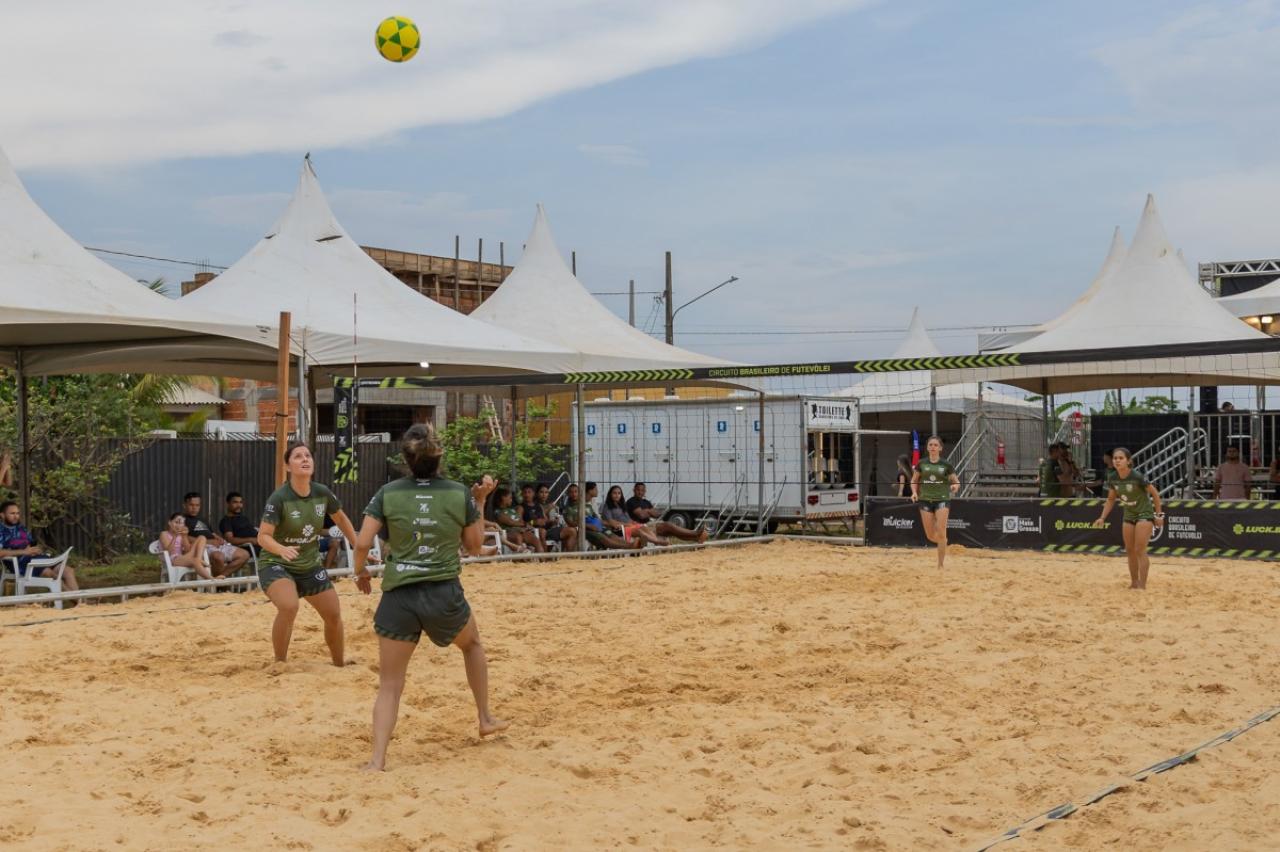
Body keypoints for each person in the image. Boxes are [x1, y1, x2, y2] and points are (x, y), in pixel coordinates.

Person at [353, 423, 508, 771]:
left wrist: (360, 572)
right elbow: (473, 546)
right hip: (443, 592)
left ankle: (377, 761)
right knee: (472, 645)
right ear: (439, 456)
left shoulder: (388, 492)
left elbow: (362, 543)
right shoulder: (458, 493)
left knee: (390, 684)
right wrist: (480, 500)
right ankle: (484, 717)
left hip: (398, 595)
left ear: (406, 459)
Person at [256, 442, 359, 666]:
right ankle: (279, 663)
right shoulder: (279, 498)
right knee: (289, 606)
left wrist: (358, 546)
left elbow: (341, 519)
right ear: (287, 466)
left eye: (308, 456)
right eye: (298, 456)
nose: (305, 459)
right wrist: (281, 549)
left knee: (333, 614)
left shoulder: (321, 492)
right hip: (276, 563)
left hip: (309, 565)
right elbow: (262, 537)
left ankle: (339, 663)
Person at [1093, 447, 1163, 590]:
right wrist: (1102, 517)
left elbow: (1155, 494)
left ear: (1128, 461)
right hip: (1129, 514)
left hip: (1144, 513)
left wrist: (1159, 515)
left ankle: (1142, 585)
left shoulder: (1137, 476)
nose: (1117, 461)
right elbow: (1111, 499)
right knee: (1130, 550)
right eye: (1115, 458)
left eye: (1121, 458)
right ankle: (1134, 583)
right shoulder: (1113, 477)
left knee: (1139, 550)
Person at [1, 501, 79, 591]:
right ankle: (76, 599)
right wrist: (24, 552)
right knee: (52, 575)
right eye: (12, 513)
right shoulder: (1, 531)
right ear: (2, 515)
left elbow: (31, 544)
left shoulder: (21, 528)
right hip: (21, 564)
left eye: (17, 513)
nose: (16, 516)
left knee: (68, 571)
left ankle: (78, 598)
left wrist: (36, 549)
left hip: (37, 559)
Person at [910, 436, 959, 569]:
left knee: (941, 531)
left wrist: (955, 487)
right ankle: (943, 541)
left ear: (940, 448)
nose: (933, 447)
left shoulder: (946, 465)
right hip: (925, 499)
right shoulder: (921, 463)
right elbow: (914, 480)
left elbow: (956, 481)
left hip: (942, 499)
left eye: (935, 445)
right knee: (931, 535)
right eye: (930, 445)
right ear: (927, 448)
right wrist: (914, 492)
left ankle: (940, 565)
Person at [183, 492, 249, 578]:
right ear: (184, 505)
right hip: (202, 547)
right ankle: (221, 583)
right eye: (191, 505)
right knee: (218, 557)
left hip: (216, 545)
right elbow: (182, 538)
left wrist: (219, 538)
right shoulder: (181, 520)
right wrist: (209, 542)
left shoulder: (203, 519)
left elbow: (212, 533)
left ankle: (219, 579)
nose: (194, 508)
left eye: (197, 505)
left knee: (244, 555)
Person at [564, 483, 639, 551]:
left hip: (596, 526)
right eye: (571, 492)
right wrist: (588, 526)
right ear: (568, 494)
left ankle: (631, 545)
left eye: (576, 491)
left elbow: (597, 519)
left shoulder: (587, 506)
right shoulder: (568, 508)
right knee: (605, 539)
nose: (574, 494)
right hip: (585, 529)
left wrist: (609, 524)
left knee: (612, 535)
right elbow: (570, 523)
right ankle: (629, 546)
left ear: (579, 493)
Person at [625, 482, 707, 543]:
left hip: (649, 524)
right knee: (668, 525)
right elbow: (641, 515)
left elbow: (657, 514)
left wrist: (647, 511)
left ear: (645, 491)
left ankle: (696, 538)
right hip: (640, 527)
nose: (640, 492)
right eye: (638, 490)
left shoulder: (646, 502)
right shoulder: (631, 501)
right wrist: (649, 511)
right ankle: (695, 533)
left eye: (642, 490)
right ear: (634, 490)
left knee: (672, 531)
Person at [601, 485, 666, 546]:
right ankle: (656, 542)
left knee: (643, 527)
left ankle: (656, 540)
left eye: (619, 493)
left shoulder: (621, 506)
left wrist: (634, 522)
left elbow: (628, 519)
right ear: (610, 494)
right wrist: (627, 524)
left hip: (628, 525)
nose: (617, 495)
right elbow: (611, 522)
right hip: (619, 528)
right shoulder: (607, 506)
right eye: (614, 493)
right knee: (638, 531)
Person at [158, 512, 212, 581]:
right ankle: (212, 578)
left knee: (202, 537)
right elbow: (169, 552)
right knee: (195, 561)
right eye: (176, 522)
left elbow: (187, 550)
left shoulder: (181, 535)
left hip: (183, 557)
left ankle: (199, 559)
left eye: (181, 523)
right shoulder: (164, 534)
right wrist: (174, 537)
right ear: (169, 522)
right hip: (172, 560)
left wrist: (184, 536)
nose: (178, 525)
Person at [492, 488, 542, 553]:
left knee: (535, 539)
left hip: (520, 531)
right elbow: (510, 522)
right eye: (510, 498)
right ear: (503, 498)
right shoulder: (498, 512)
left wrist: (526, 527)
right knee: (518, 537)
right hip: (508, 533)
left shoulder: (512, 510)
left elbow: (520, 520)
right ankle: (524, 556)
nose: (511, 500)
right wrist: (525, 524)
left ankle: (542, 558)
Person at [536, 483, 576, 551]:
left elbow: (550, 521)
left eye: (546, 492)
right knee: (571, 531)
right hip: (540, 531)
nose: (544, 494)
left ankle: (567, 555)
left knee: (572, 530)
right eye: (541, 492)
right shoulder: (535, 505)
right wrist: (548, 509)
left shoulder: (548, 505)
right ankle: (569, 555)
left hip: (550, 529)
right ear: (537, 493)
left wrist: (554, 521)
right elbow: (539, 519)